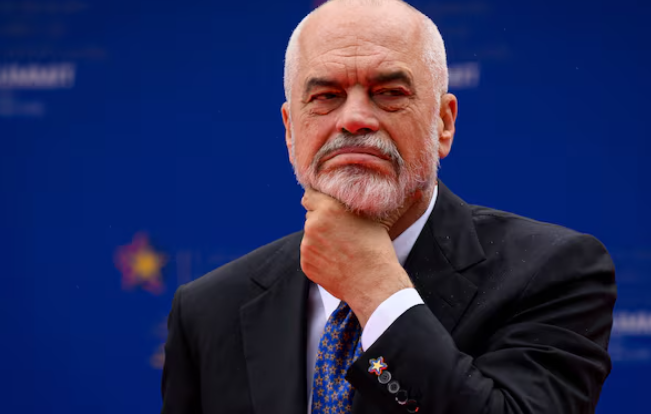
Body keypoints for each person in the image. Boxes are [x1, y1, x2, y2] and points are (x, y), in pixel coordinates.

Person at [160, 0, 617, 413]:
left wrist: (377, 292)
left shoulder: (553, 273)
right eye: (326, 97)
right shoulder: (209, 309)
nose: (355, 119)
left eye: (390, 92)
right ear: (290, 131)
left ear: (443, 124)